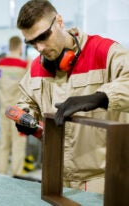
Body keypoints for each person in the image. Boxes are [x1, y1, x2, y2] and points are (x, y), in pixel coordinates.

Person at [15, 0, 129, 194]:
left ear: (59, 21)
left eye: (43, 36)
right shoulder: (36, 67)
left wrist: (100, 97)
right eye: (32, 42)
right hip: (54, 176)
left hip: (101, 179)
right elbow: (26, 101)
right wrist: (26, 115)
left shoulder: (104, 51)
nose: (39, 47)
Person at [0, 36, 30, 176]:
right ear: (20, 47)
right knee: (18, 143)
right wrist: (29, 64)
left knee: (4, 142)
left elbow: (0, 81)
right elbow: (28, 83)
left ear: (9, 46)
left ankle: (1, 173)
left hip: (4, 109)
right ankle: (16, 174)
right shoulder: (23, 65)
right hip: (18, 112)